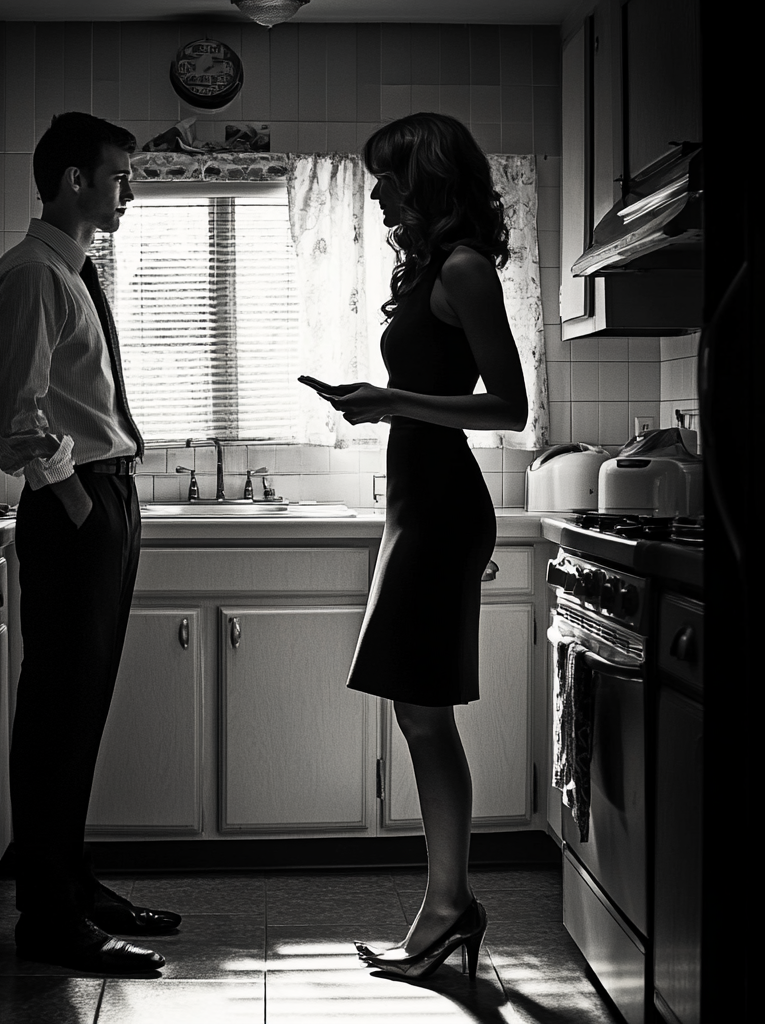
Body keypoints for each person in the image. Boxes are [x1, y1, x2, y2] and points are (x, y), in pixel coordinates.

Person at [319, 112, 528, 981]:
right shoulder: (431, 270)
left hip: (442, 509)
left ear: (425, 175)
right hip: (420, 505)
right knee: (418, 714)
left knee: (424, 715)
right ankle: (449, 907)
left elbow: (510, 408)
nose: (374, 192)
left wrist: (392, 400)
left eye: (386, 176)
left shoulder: (467, 268)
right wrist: (383, 401)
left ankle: (449, 908)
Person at [0, 112, 181, 974]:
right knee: (59, 710)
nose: (127, 192)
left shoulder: (72, 272)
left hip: (100, 500)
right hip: (76, 508)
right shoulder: (34, 276)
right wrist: (80, 508)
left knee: (80, 707)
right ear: (73, 182)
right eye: (120, 176)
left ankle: (72, 881)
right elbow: (13, 420)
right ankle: (47, 917)